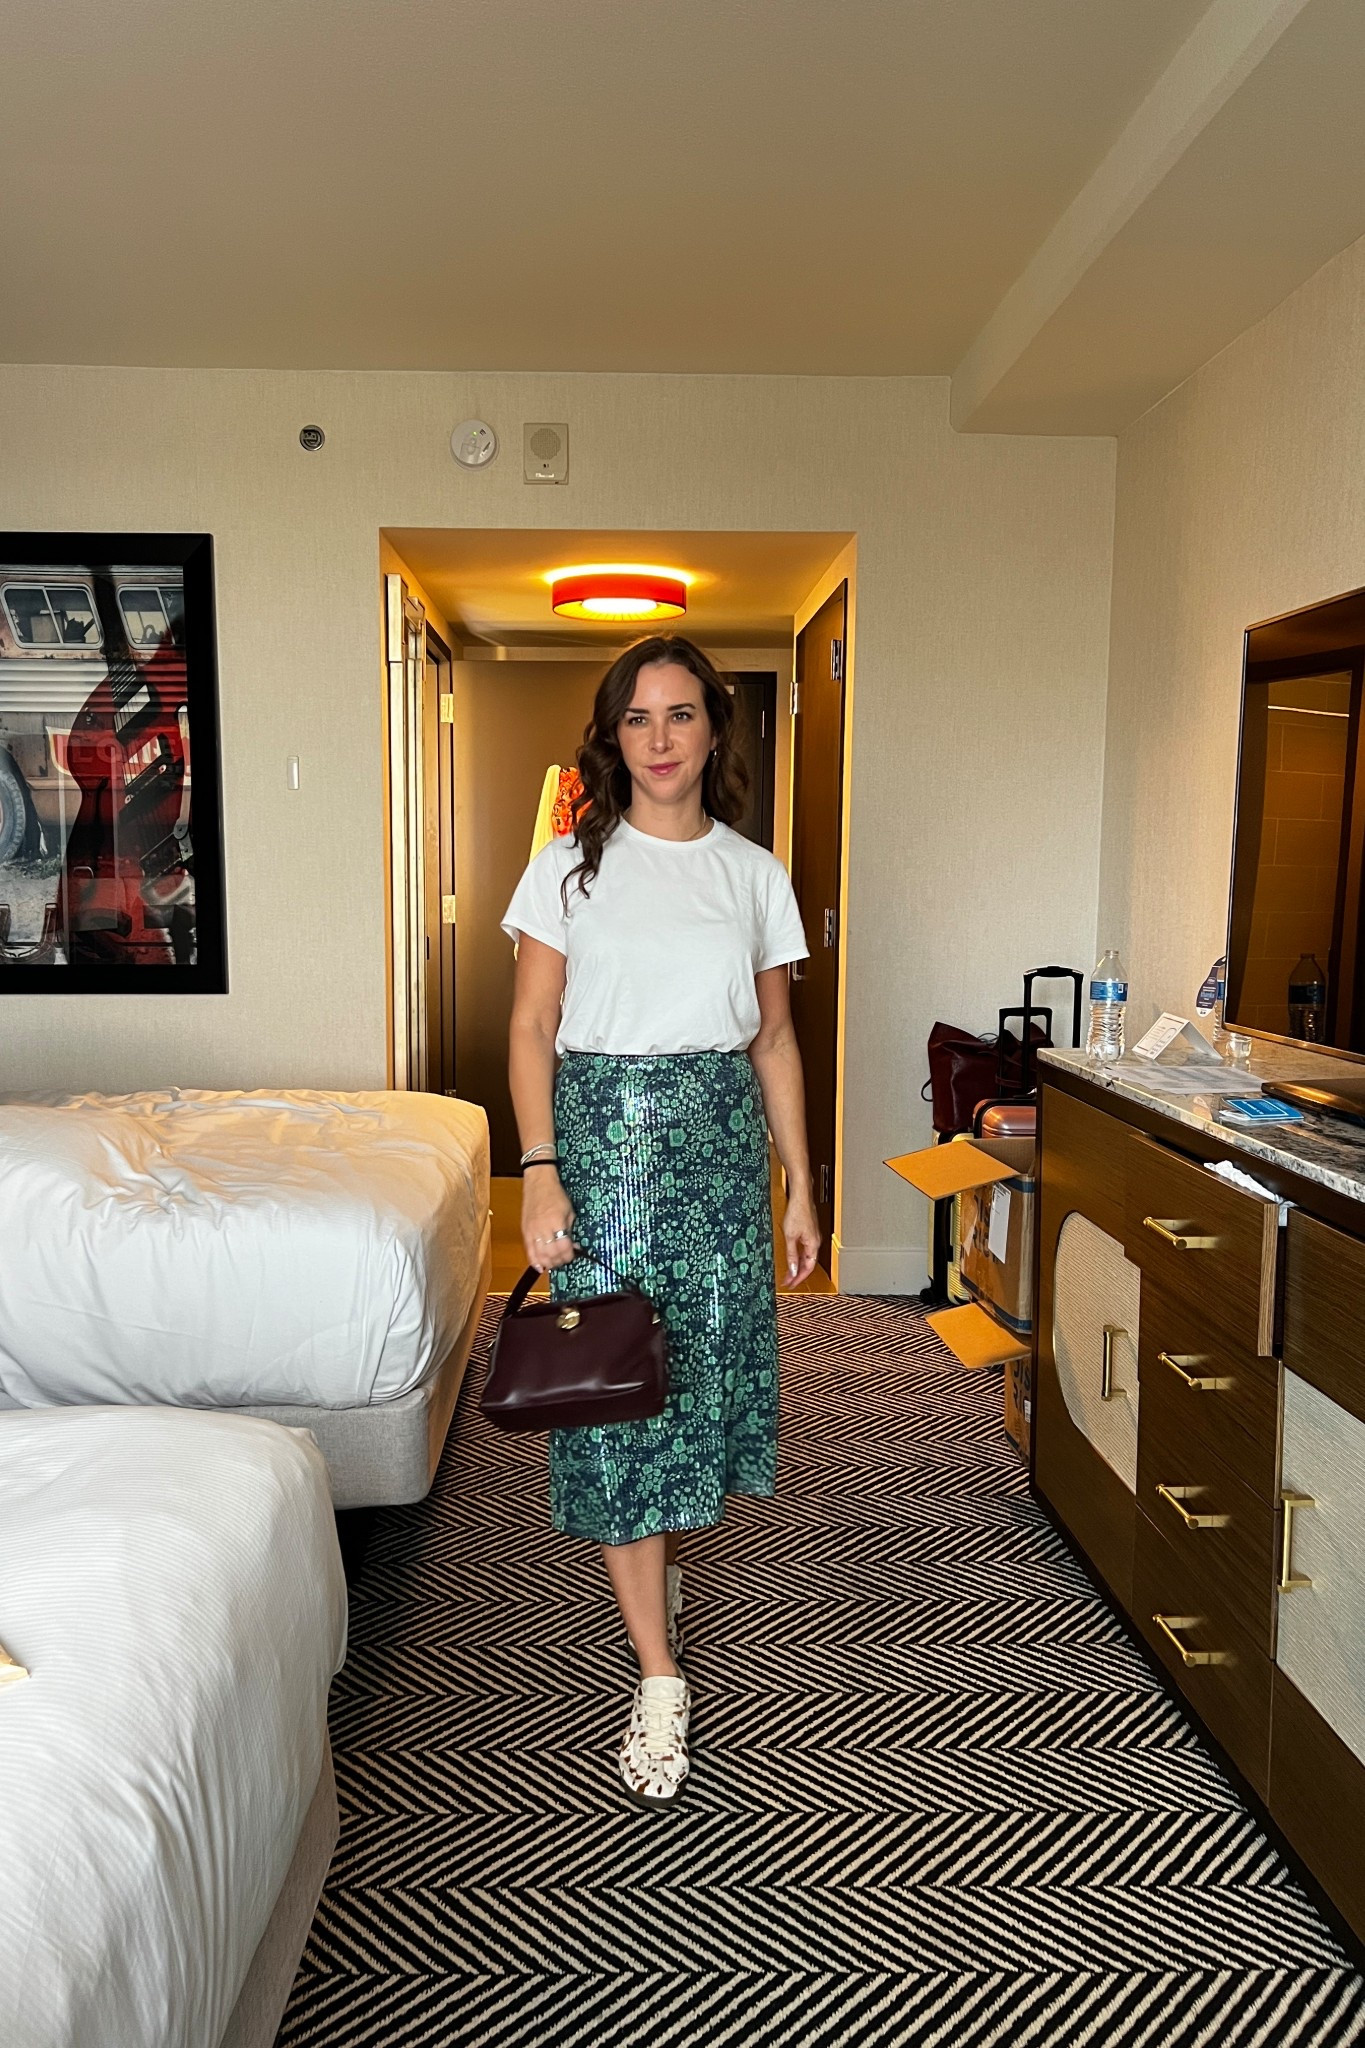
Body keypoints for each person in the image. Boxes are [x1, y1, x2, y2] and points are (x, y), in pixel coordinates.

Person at [502, 633, 821, 1809]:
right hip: (601, 1142)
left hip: (719, 1148)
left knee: (695, 1387)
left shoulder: (752, 872)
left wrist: (802, 1177)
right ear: (613, 734)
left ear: (712, 732)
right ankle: (658, 1675)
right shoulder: (567, 869)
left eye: (682, 714)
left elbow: (775, 1039)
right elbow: (534, 1025)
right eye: (639, 718)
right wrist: (540, 1170)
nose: (662, 737)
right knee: (621, 1399)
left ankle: (660, 1577)